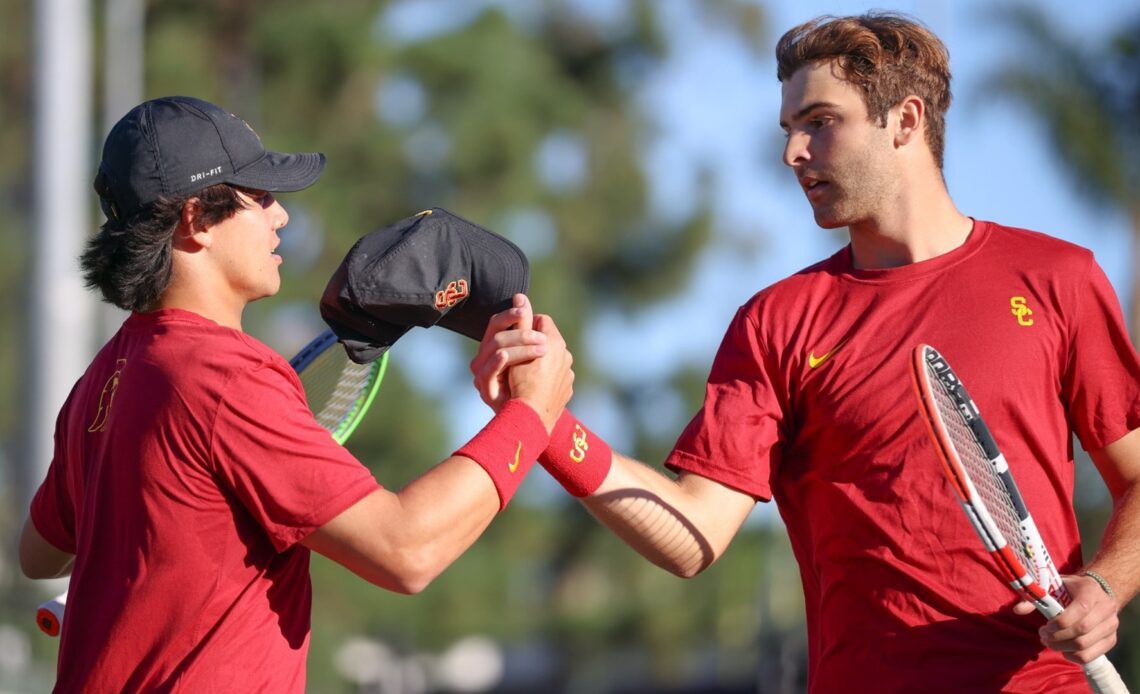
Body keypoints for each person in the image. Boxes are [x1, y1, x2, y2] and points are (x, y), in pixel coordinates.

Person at [473, 12, 1140, 693]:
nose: (793, 151)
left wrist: (1103, 586)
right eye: (789, 128)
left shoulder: (1057, 278)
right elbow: (694, 533)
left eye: (819, 121)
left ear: (905, 121)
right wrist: (546, 424)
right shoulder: (775, 324)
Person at [17, 95, 572, 692]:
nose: (280, 217)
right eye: (260, 198)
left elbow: (38, 555)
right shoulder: (225, 376)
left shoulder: (103, 379)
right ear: (195, 220)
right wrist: (530, 415)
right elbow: (407, 550)